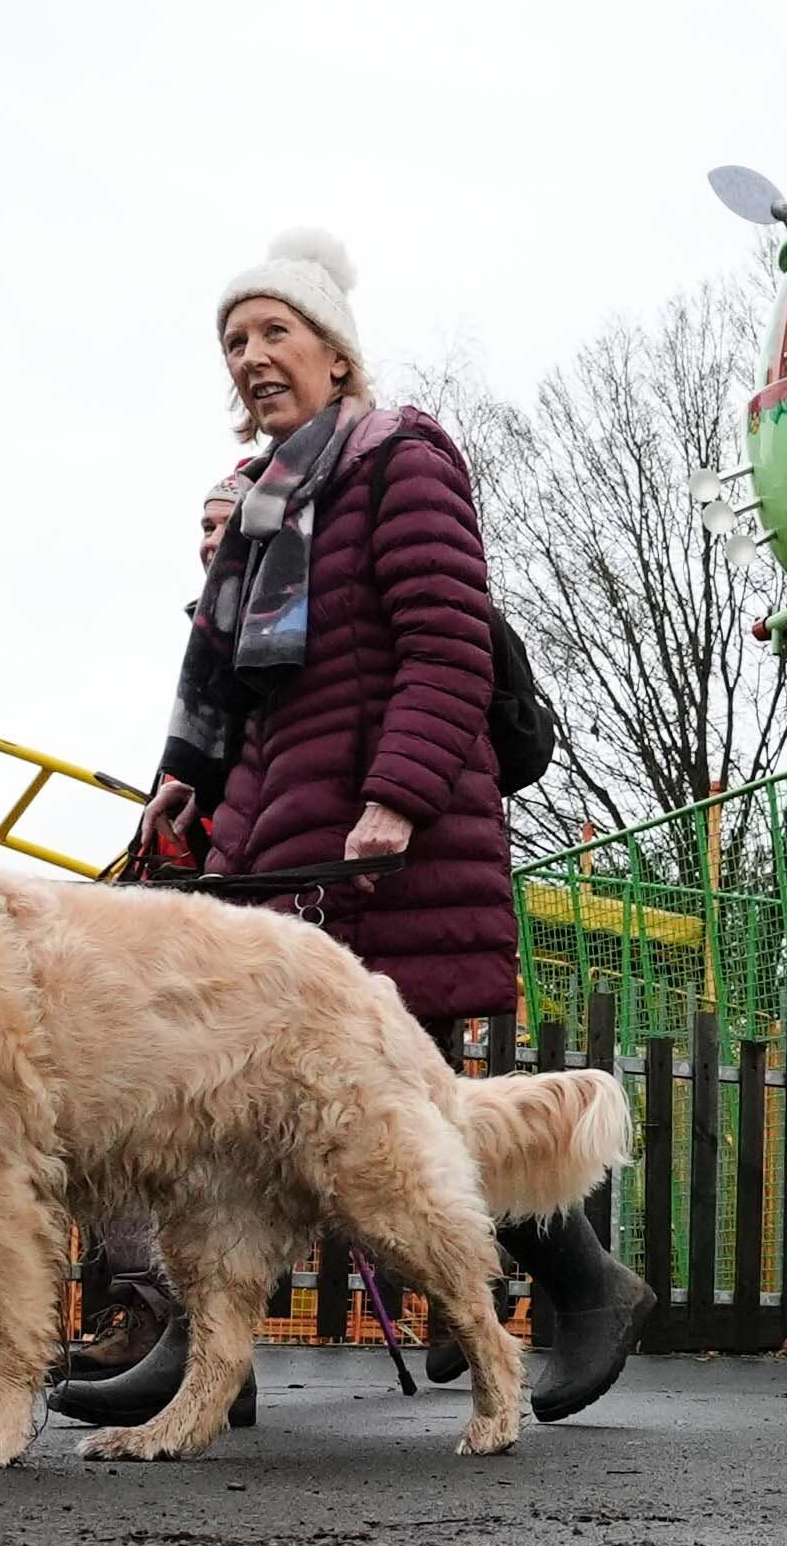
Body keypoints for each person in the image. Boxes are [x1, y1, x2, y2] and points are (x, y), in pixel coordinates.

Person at [54, 227, 644, 1428]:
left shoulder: (400, 458)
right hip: (271, 840)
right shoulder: (264, 509)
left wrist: (399, 796)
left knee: (389, 1116)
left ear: (336, 353)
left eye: (276, 331)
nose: (253, 356)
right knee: (227, 1101)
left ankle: (586, 1285)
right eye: (235, 341)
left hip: (384, 849)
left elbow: (446, 641)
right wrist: (186, 777)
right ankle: (209, 1357)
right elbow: (228, 680)